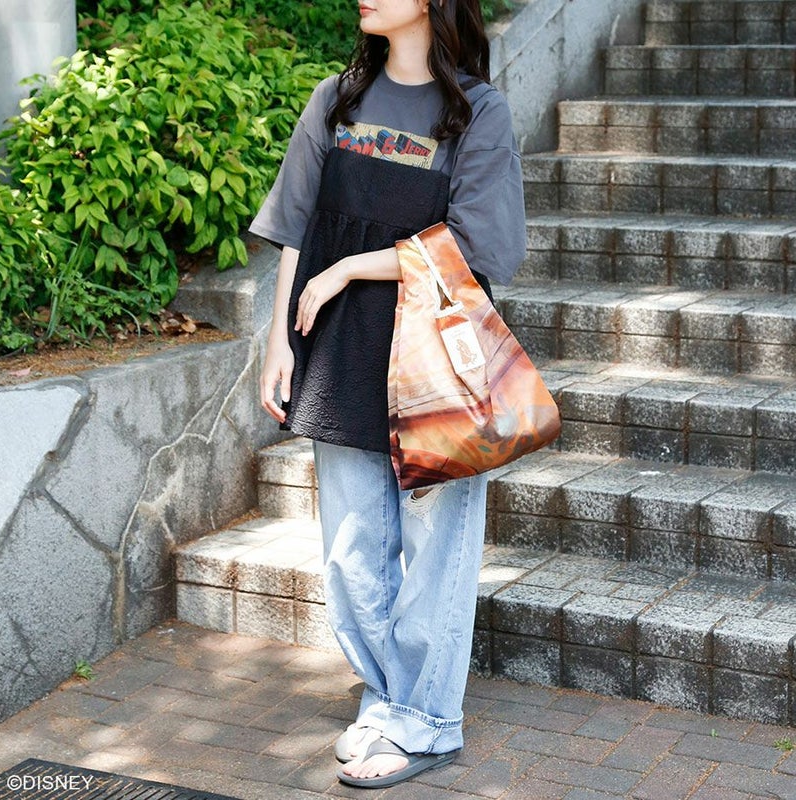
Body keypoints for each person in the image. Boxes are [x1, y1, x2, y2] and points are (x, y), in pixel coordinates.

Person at [250, 0, 526, 789]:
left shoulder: (477, 112)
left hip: (436, 360)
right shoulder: (336, 99)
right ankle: (387, 701)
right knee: (350, 551)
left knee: (436, 549)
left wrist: (348, 268)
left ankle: (429, 719)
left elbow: (478, 243)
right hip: (341, 350)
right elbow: (296, 226)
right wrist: (278, 341)